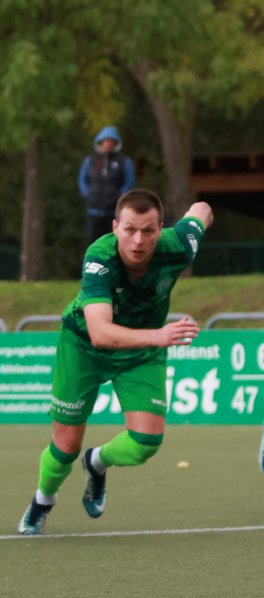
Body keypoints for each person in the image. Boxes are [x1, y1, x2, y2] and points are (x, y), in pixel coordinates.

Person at [18, 189, 212, 535]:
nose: (138, 240)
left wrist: (198, 216)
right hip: (84, 347)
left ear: (161, 228)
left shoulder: (179, 244)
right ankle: (43, 499)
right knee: (64, 448)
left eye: (149, 230)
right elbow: (101, 333)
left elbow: (202, 209)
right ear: (114, 227)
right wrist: (159, 335)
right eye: (130, 230)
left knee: (145, 444)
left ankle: (97, 462)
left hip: (141, 351)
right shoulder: (99, 257)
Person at [78, 126, 136, 248]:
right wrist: (87, 194)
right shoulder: (90, 161)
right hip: (93, 211)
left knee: (113, 244)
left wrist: (119, 198)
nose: (108, 144)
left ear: (116, 144)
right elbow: (82, 179)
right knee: (93, 244)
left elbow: (129, 182)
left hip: (113, 212)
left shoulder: (124, 162)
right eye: (105, 141)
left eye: (111, 142)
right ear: (100, 142)